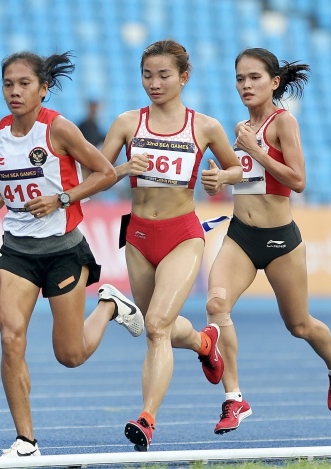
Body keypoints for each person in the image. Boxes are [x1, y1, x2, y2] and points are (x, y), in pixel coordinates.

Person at [0, 50, 145, 457]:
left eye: (24, 84)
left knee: (70, 355)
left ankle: (109, 305)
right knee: (10, 338)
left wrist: (61, 198)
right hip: (18, 252)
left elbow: (107, 173)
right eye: (8, 84)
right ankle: (26, 440)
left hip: (63, 251)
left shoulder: (59, 129)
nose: (15, 92)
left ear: (42, 88)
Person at [100, 39, 243, 451]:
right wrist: (123, 167)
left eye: (163, 75)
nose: (154, 83)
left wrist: (221, 179)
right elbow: (94, 174)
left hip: (182, 234)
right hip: (138, 236)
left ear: (184, 77)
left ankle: (146, 419)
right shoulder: (128, 123)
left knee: (158, 326)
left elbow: (235, 168)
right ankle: (203, 342)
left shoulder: (205, 126)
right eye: (147, 75)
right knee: (153, 323)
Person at [205, 48, 331, 435]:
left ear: (274, 82)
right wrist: (221, 179)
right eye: (240, 78)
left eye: (254, 78)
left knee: (300, 325)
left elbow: (297, 181)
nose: (246, 85)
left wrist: (256, 151)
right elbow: (246, 178)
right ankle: (234, 399)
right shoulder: (239, 127)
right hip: (240, 234)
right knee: (216, 305)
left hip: (279, 240)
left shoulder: (282, 123)